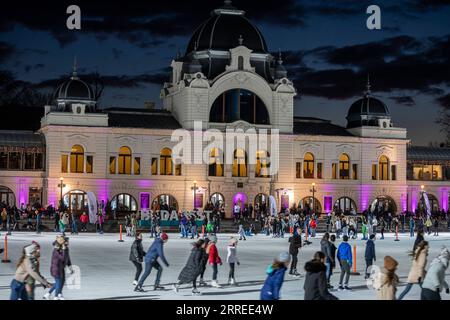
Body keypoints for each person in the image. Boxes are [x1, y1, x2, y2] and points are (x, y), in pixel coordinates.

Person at [44, 235, 68, 300]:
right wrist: (63, 249)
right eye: (65, 241)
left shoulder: (58, 249)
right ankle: (56, 296)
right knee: (58, 283)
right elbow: (63, 258)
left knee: (58, 283)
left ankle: (48, 294)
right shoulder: (56, 250)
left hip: (58, 269)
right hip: (56, 270)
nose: (66, 243)